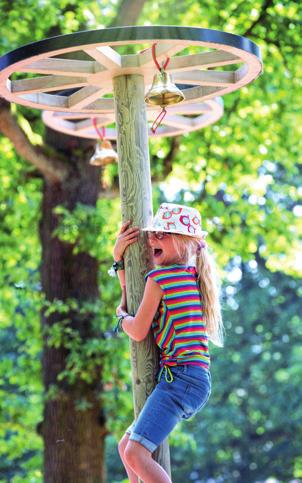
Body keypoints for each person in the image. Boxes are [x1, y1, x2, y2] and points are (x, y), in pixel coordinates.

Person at [112, 202, 224, 483]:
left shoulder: (162, 277)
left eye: (163, 233)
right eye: (152, 233)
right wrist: (119, 263)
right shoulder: (189, 276)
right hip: (191, 379)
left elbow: (137, 329)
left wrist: (121, 318)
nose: (152, 239)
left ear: (184, 242)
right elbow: (132, 300)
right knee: (126, 447)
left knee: (135, 453)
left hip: (181, 379)